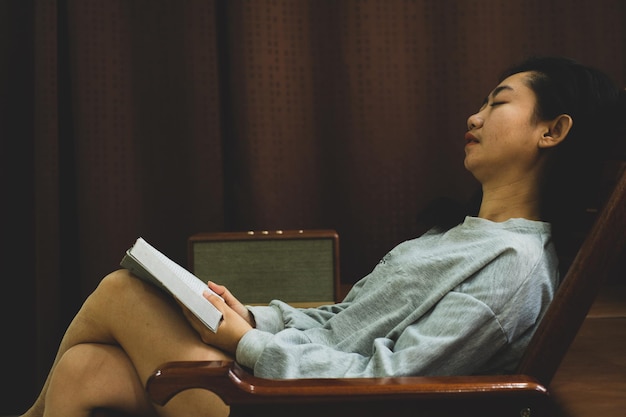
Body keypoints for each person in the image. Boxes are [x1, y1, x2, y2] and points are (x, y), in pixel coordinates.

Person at [21, 56, 625, 417]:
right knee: (85, 372)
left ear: (553, 131)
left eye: (497, 103)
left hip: (308, 406)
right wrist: (254, 321)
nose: (473, 116)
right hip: (291, 385)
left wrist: (250, 347)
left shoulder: (512, 267)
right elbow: (344, 322)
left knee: (122, 293)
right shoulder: (458, 238)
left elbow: (390, 380)